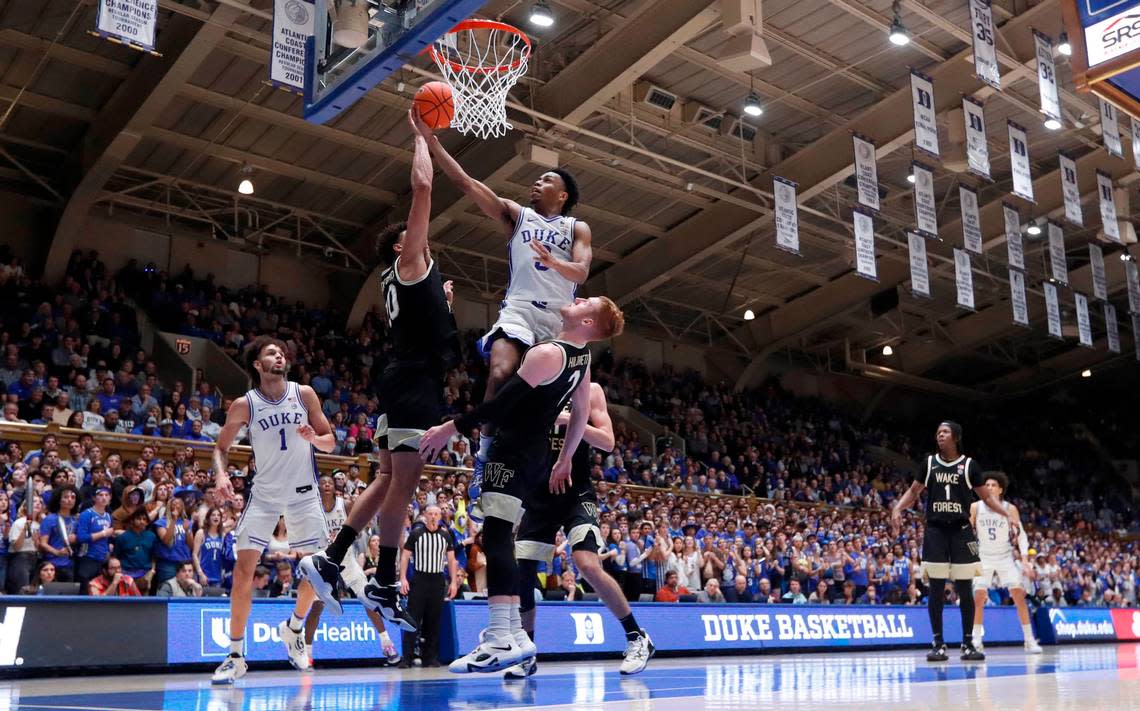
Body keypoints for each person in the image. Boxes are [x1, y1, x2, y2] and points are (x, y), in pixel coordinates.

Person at [302, 111, 460, 635]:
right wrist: (422, 136)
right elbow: (421, 186)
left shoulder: (413, 279)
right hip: (414, 381)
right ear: (400, 246)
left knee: (390, 477)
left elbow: (429, 326)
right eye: (411, 237)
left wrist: (443, 305)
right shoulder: (410, 261)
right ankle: (386, 579)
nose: (422, 237)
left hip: (401, 375)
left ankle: (333, 559)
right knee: (404, 484)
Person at [418, 296, 624, 674]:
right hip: (535, 456)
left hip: (513, 449)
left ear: (589, 325)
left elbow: (499, 406)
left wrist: (450, 427)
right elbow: (579, 414)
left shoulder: (549, 354)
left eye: (587, 302)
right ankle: (512, 633)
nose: (577, 298)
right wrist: (564, 459)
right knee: (501, 538)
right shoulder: (582, 360)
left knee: (496, 536)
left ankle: (500, 636)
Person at [420, 110, 592, 522]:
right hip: (517, 312)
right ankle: (482, 458)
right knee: (499, 375)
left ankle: (525, 480)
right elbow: (466, 183)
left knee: (534, 407)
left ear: (563, 195)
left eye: (547, 180)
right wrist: (432, 141)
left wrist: (555, 262)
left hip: (557, 324)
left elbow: (582, 272)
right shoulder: (518, 215)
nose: (537, 182)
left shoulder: (576, 228)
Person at [209, 336, 337, 683]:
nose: (279, 356)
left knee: (318, 572)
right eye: (271, 353)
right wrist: (221, 475)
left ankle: (294, 628)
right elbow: (220, 448)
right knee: (242, 573)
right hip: (264, 495)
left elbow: (331, 441)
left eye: (281, 353)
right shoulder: (244, 404)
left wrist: (314, 438)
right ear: (257, 365)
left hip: (303, 493)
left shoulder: (304, 394)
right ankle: (235, 656)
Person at [510, 382, 653, 678]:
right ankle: (527, 652)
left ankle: (636, 637)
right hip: (538, 493)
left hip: (576, 492)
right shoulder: (530, 388)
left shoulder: (590, 390)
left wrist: (571, 420)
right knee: (523, 573)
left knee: (587, 563)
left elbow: (608, 441)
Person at [891, 421, 1016, 663]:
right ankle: (938, 643)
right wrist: (897, 507)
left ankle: (968, 643)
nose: (940, 435)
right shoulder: (929, 463)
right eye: (938, 432)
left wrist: (1006, 514)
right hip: (936, 531)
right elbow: (914, 491)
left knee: (965, 589)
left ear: (956, 437)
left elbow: (987, 498)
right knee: (935, 589)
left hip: (961, 531)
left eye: (945, 432)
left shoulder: (969, 465)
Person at [299, 474, 400, 668]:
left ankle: (387, 644)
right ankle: (307, 653)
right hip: (323, 560)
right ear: (318, 488)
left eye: (330, 483)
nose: (327, 485)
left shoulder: (344, 505)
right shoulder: (313, 509)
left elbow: (359, 528)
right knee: (317, 607)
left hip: (346, 558)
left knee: (368, 598)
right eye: (323, 483)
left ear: (334, 487)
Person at [969, 472, 1043, 654]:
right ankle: (976, 641)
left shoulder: (1010, 508)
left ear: (1000, 489)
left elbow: (1021, 534)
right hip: (983, 556)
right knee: (978, 597)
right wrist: (971, 556)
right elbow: (967, 534)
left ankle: (1029, 640)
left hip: (1004, 556)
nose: (989, 487)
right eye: (986, 484)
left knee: (1019, 596)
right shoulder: (975, 507)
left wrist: (1025, 560)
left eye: (993, 485)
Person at [398, 505, 459, 668]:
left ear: (440, 516)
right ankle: (407, 658)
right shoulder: (416, 534)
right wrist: (403, 578)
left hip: (437, 580)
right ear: (425, 515)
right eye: (430, 513)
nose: (433, 516)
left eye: (436, 514)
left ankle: (430, 658)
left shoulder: (446, 536)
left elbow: (452, 560)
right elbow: (405, 556)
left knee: (434, 620)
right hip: (419, 579)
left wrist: (453, 582)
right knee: (412, 619)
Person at [74, 486, 115, 589]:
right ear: (94, 498)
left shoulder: (108, 516)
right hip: (87, 557)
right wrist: (103, 533)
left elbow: (108, 537)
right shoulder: (86, 514)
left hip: (102, 559)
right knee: (85, 590)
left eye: (106, 495)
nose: (104, 498)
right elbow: (81, 537)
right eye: (100, 495)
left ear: (110, 498)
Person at [39, 485, 80, 582]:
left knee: (68, 595)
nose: (70, 500)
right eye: (66, 497)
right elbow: (43, 543)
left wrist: (76, 538)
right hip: (53, 565)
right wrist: (57, 552)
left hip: (70, 564)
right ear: (58, 500)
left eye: (73, 497)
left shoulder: (76, 520)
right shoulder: (50, 519)